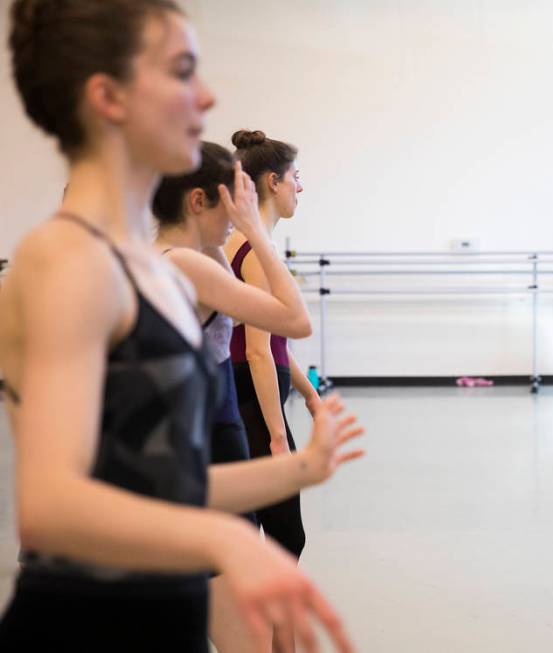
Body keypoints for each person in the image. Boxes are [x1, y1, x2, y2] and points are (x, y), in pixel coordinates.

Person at [0, 2, 360, 650]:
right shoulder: (64, 260)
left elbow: (155, 483)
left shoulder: (151, 266)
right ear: (108, 95)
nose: (209, 94)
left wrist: (295, 468)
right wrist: (222, 535)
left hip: (165, 615)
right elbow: (51, 507)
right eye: (183, 71)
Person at [153, 142, 361, 652]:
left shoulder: (182, 259)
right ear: (198, 202)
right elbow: (293, 322)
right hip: (207, 438)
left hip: (204, 441)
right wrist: (255, 233)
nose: (236, 216)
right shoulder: (186, 264)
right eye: (230, 205)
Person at [226, 129, 320, 564]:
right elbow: (258, 351)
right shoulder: (255, 253)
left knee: (254, 534)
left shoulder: (242, 245)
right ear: (271, 182)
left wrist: (309, 392)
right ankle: (273, 632)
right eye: (295, 178)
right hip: (254, 407)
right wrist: (277, 435)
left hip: (245, 400)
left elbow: (271, 340)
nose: (300, 188)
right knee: (285, 538)